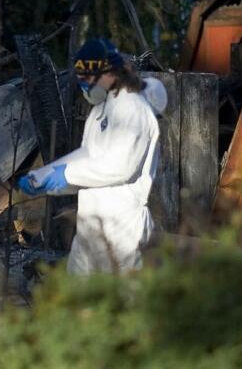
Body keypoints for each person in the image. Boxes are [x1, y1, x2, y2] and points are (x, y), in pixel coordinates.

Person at [18, 38, 161, 275]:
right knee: (77, 301)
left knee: (120, 303)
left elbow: (120, 167)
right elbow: (87, 157)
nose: (83, 85)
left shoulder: (134, 109)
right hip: (89, 228)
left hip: (122, 229)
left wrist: (66, 174)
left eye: (86, 78)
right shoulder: (99, 112)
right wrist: (44, 178)